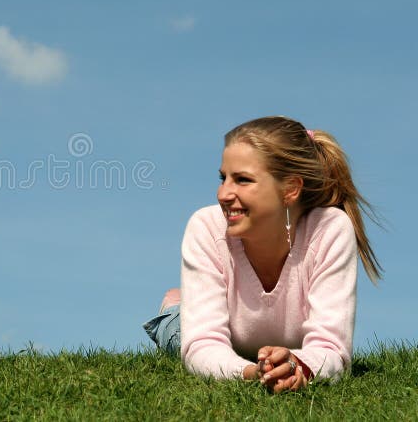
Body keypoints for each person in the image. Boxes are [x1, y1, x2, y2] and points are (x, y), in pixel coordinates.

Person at [143, 116, 382, 393]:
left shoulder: (330, 230)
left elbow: (331, 347)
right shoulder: (206, 227)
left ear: (290, 189)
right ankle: (176, 306)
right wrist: (249, 372)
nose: (222, 193)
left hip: (264, 334)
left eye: (243, 180)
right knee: (179, 334)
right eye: (223, 178)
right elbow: (202, 344)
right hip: (216, 329)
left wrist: (300, 366)